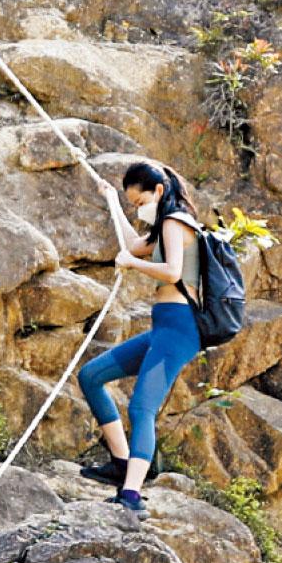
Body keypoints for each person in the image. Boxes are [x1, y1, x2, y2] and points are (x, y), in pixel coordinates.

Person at [78, 161, 203, 514]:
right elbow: (133, 245)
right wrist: (112, 202)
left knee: (141, 408)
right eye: (132, 204)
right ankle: (121, 464)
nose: (138, 208)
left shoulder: (176, 222)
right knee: (90, 376)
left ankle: (132, 494)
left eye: (138, 202)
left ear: (158, 192)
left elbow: (173, 271)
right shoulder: (163, 227)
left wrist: (132, 266)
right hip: (163, 326)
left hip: (180, 328)